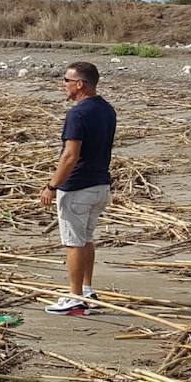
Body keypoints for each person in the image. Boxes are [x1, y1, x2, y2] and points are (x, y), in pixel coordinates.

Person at [39, 62, 116, 315]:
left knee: (73, 242)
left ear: (80, 84)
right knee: (85, 239)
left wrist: (52, 186)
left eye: (66, 80)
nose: (64, 85)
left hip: (78, 188)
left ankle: (74, 297)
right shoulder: (107, 110)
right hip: (100, 185)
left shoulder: (77, 114)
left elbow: (70, 156)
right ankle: (87, 290)